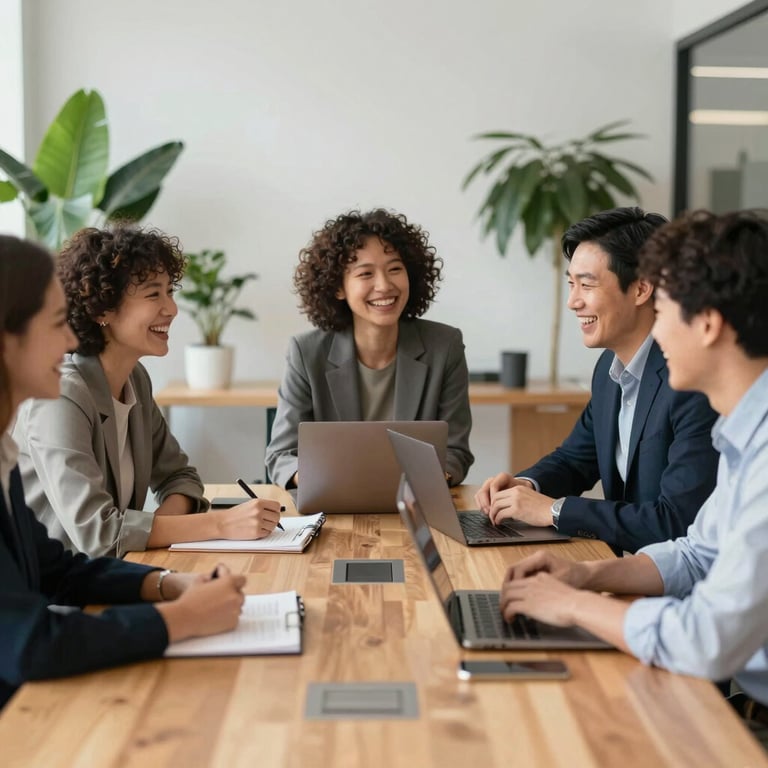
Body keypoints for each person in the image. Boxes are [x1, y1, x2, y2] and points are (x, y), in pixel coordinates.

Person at [499, 210, 768, 742]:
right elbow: (697, 552)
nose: (657, 332)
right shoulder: (744, 434)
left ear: (708, 323)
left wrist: (574, 605)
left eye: (664, 311)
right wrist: (587, 576)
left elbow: (705, 639)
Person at [0, 234, 248, 709]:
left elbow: (58, 568)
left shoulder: (1, 453)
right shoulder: (63, 397)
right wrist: (181, 618)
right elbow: (30, 641)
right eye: (56, 323)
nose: (70, 339)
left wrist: (168, 583)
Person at [13, 224, 281, 558]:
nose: (171, 308)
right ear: (102, 309)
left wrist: (148, 535)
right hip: (59, 596)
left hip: (116, 575)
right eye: (154, 294)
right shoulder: (60, 396)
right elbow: (100, 533)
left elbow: (180, 478)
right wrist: (221, 525)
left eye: (170, 291)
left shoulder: (134, 379)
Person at [475, 207, 719, 553]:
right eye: (571, 284)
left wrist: (554, 510)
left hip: (673, 587)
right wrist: (525, 485)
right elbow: (575, 460)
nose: (574, 302)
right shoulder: (610, 368)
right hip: (628, 569)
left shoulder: (691, 381)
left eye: (587, 284)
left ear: (641, 289)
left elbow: (677, 521)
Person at [265, 208, 474, 488]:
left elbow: (455, 451)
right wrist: (323, 481)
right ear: (338, 287)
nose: (384, 285)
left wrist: (431, 480)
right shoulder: (306, 352)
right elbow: (281, 456)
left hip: (417, 501)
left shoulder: (444, 346)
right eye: (365, 274)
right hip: (334, 500)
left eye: (395, 269)